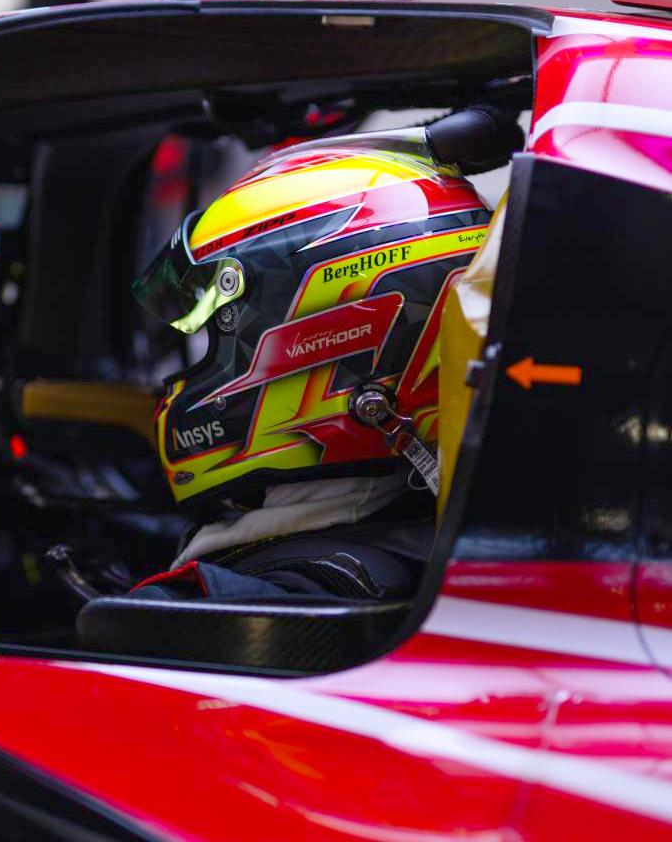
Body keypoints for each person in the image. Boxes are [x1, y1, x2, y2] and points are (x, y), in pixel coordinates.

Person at [128, 126, 492, 602]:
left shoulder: (203, 608)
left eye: (219, 330)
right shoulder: (457, 560)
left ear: (320, 338)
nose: (186, 377)